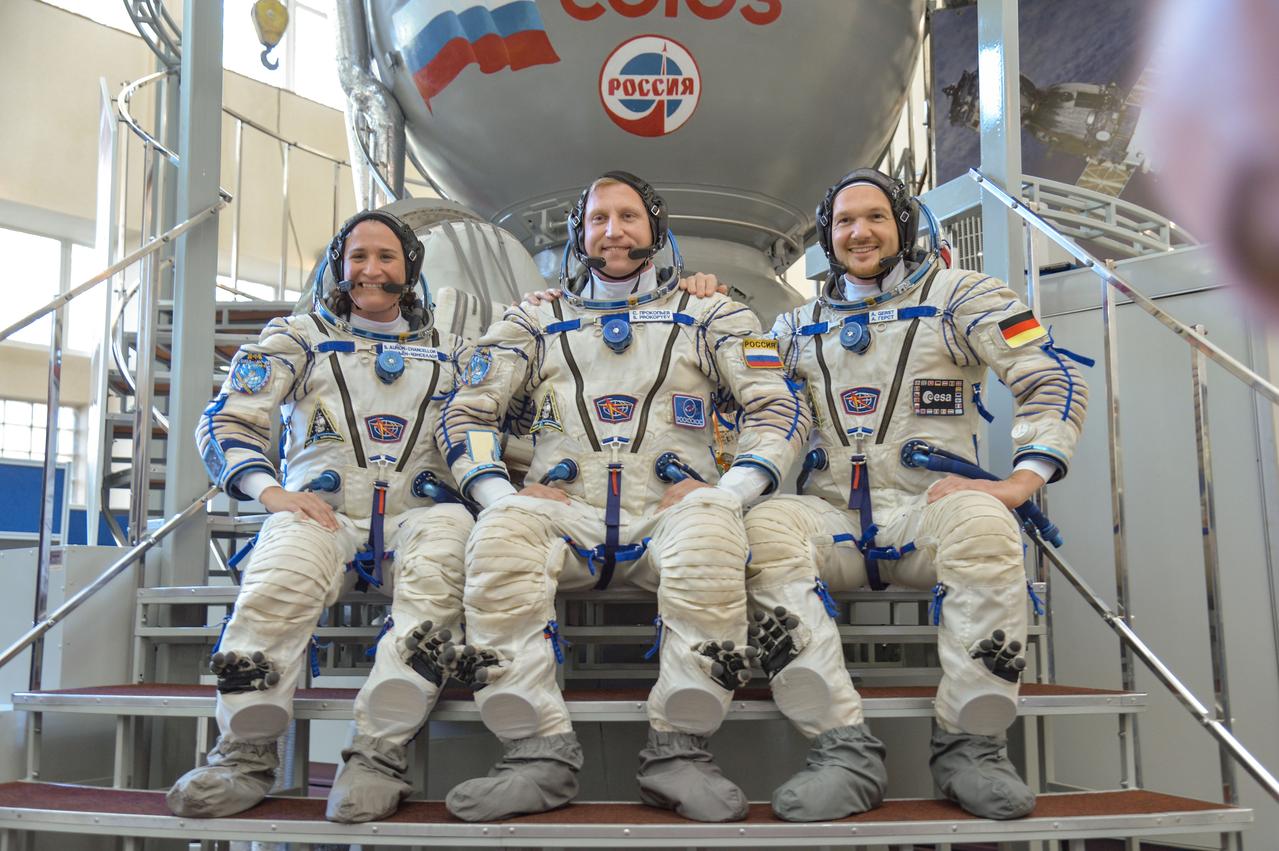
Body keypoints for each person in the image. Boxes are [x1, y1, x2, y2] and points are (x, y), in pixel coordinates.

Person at [434, 171, 809, 823]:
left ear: (655, 229)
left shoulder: (715, 313)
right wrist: (498, 494)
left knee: (713, 532)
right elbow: (467, 411)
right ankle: (535, 755)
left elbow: (776, 405)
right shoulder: (533, 316)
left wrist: (729, 490)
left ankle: (678, 752)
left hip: (672, 512)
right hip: (564, 514)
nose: (612, 230)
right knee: (498, 535)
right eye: (598, 218)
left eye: (628, 216)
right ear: (580, 234)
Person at [743, 169, 1089, 821]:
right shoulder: (788, 327)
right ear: (826, 236)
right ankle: (839, 749)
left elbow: (1049, 375)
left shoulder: (963, 297)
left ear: (902, 224)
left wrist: (1019, 481)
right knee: (765, 528)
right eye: (844, 221)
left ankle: (971, 748)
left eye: (874, 217)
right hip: (832, 518)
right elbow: (751, 404)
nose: (859, 232)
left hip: (923, 512)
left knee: (984, 520)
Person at [167, 210, 480, 824]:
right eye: (357, 256)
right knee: (277, 580)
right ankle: (243, 756)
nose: (370, 269)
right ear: (340, 265)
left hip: (425, 517)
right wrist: (268, 491)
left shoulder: (456, 351)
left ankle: (378, 756)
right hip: (323, 513)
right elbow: (228, 418)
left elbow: (508, 420)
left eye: (386, 257)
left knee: (440, 582)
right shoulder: (297, 339)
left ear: (409, 269)